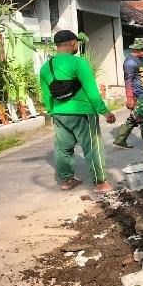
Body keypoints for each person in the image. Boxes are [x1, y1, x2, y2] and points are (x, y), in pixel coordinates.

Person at [39, 30, 117, 194]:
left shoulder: (46, 67)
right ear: (73, 42)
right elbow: (91, 90)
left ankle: (67, 180)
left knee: (63, 148)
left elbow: (46, 94)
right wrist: (104, 111)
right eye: (77, 43)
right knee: (92, 147)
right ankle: (100, 183)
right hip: (82, 113)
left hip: (59, 114)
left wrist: (52, 113)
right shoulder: (79, 63)